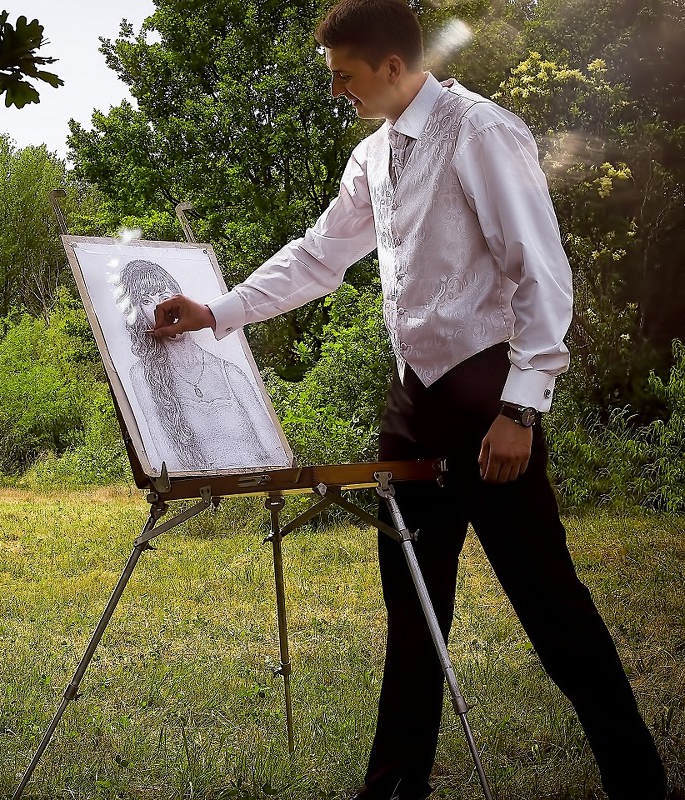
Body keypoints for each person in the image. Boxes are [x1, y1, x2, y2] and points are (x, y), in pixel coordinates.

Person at [149, 1, 667, 797]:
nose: (337, 92)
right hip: (412, 404)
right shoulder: (371, 157)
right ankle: (394, 788)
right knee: (416, 611)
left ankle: (640, 783)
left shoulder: (482, 131)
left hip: (490, 401)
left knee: (551, 605)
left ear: (393, 66)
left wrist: (521, 407)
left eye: (345, 77)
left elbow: (542, 271)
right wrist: (216, 311)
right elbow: (320, 256)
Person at [116, 258, 288, 472]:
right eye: (146, 301)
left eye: (164, 296)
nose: (158, 308)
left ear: (180, 303)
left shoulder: (231, 374)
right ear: (139, 312)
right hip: (201, 488)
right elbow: (166, 461)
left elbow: (278, 459)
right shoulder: (144, 375)